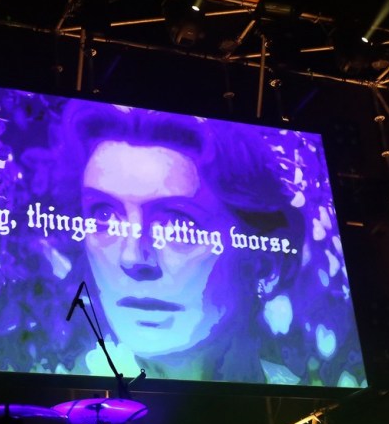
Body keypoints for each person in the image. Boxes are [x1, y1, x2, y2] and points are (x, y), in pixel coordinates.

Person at [57, 100, 318, 384]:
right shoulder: (61, 399)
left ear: (268, 265)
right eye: (104, 215)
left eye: (178, 223)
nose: (132, 258)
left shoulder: (308, 394)